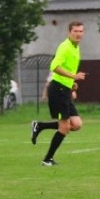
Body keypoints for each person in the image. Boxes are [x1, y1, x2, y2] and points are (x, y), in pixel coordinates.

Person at [30, 21, 87, 166]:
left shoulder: (76, 48)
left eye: (81, 31)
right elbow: (54, 66)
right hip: (58, 90)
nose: (78, 34)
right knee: (65, 127)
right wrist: (73, 77)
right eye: (76, 31)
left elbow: (67, 69)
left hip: (65, 89)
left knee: (77, 124)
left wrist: (71, 83)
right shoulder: (65, 46)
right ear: (69, 32)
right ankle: (47, 159)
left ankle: (40, 126)